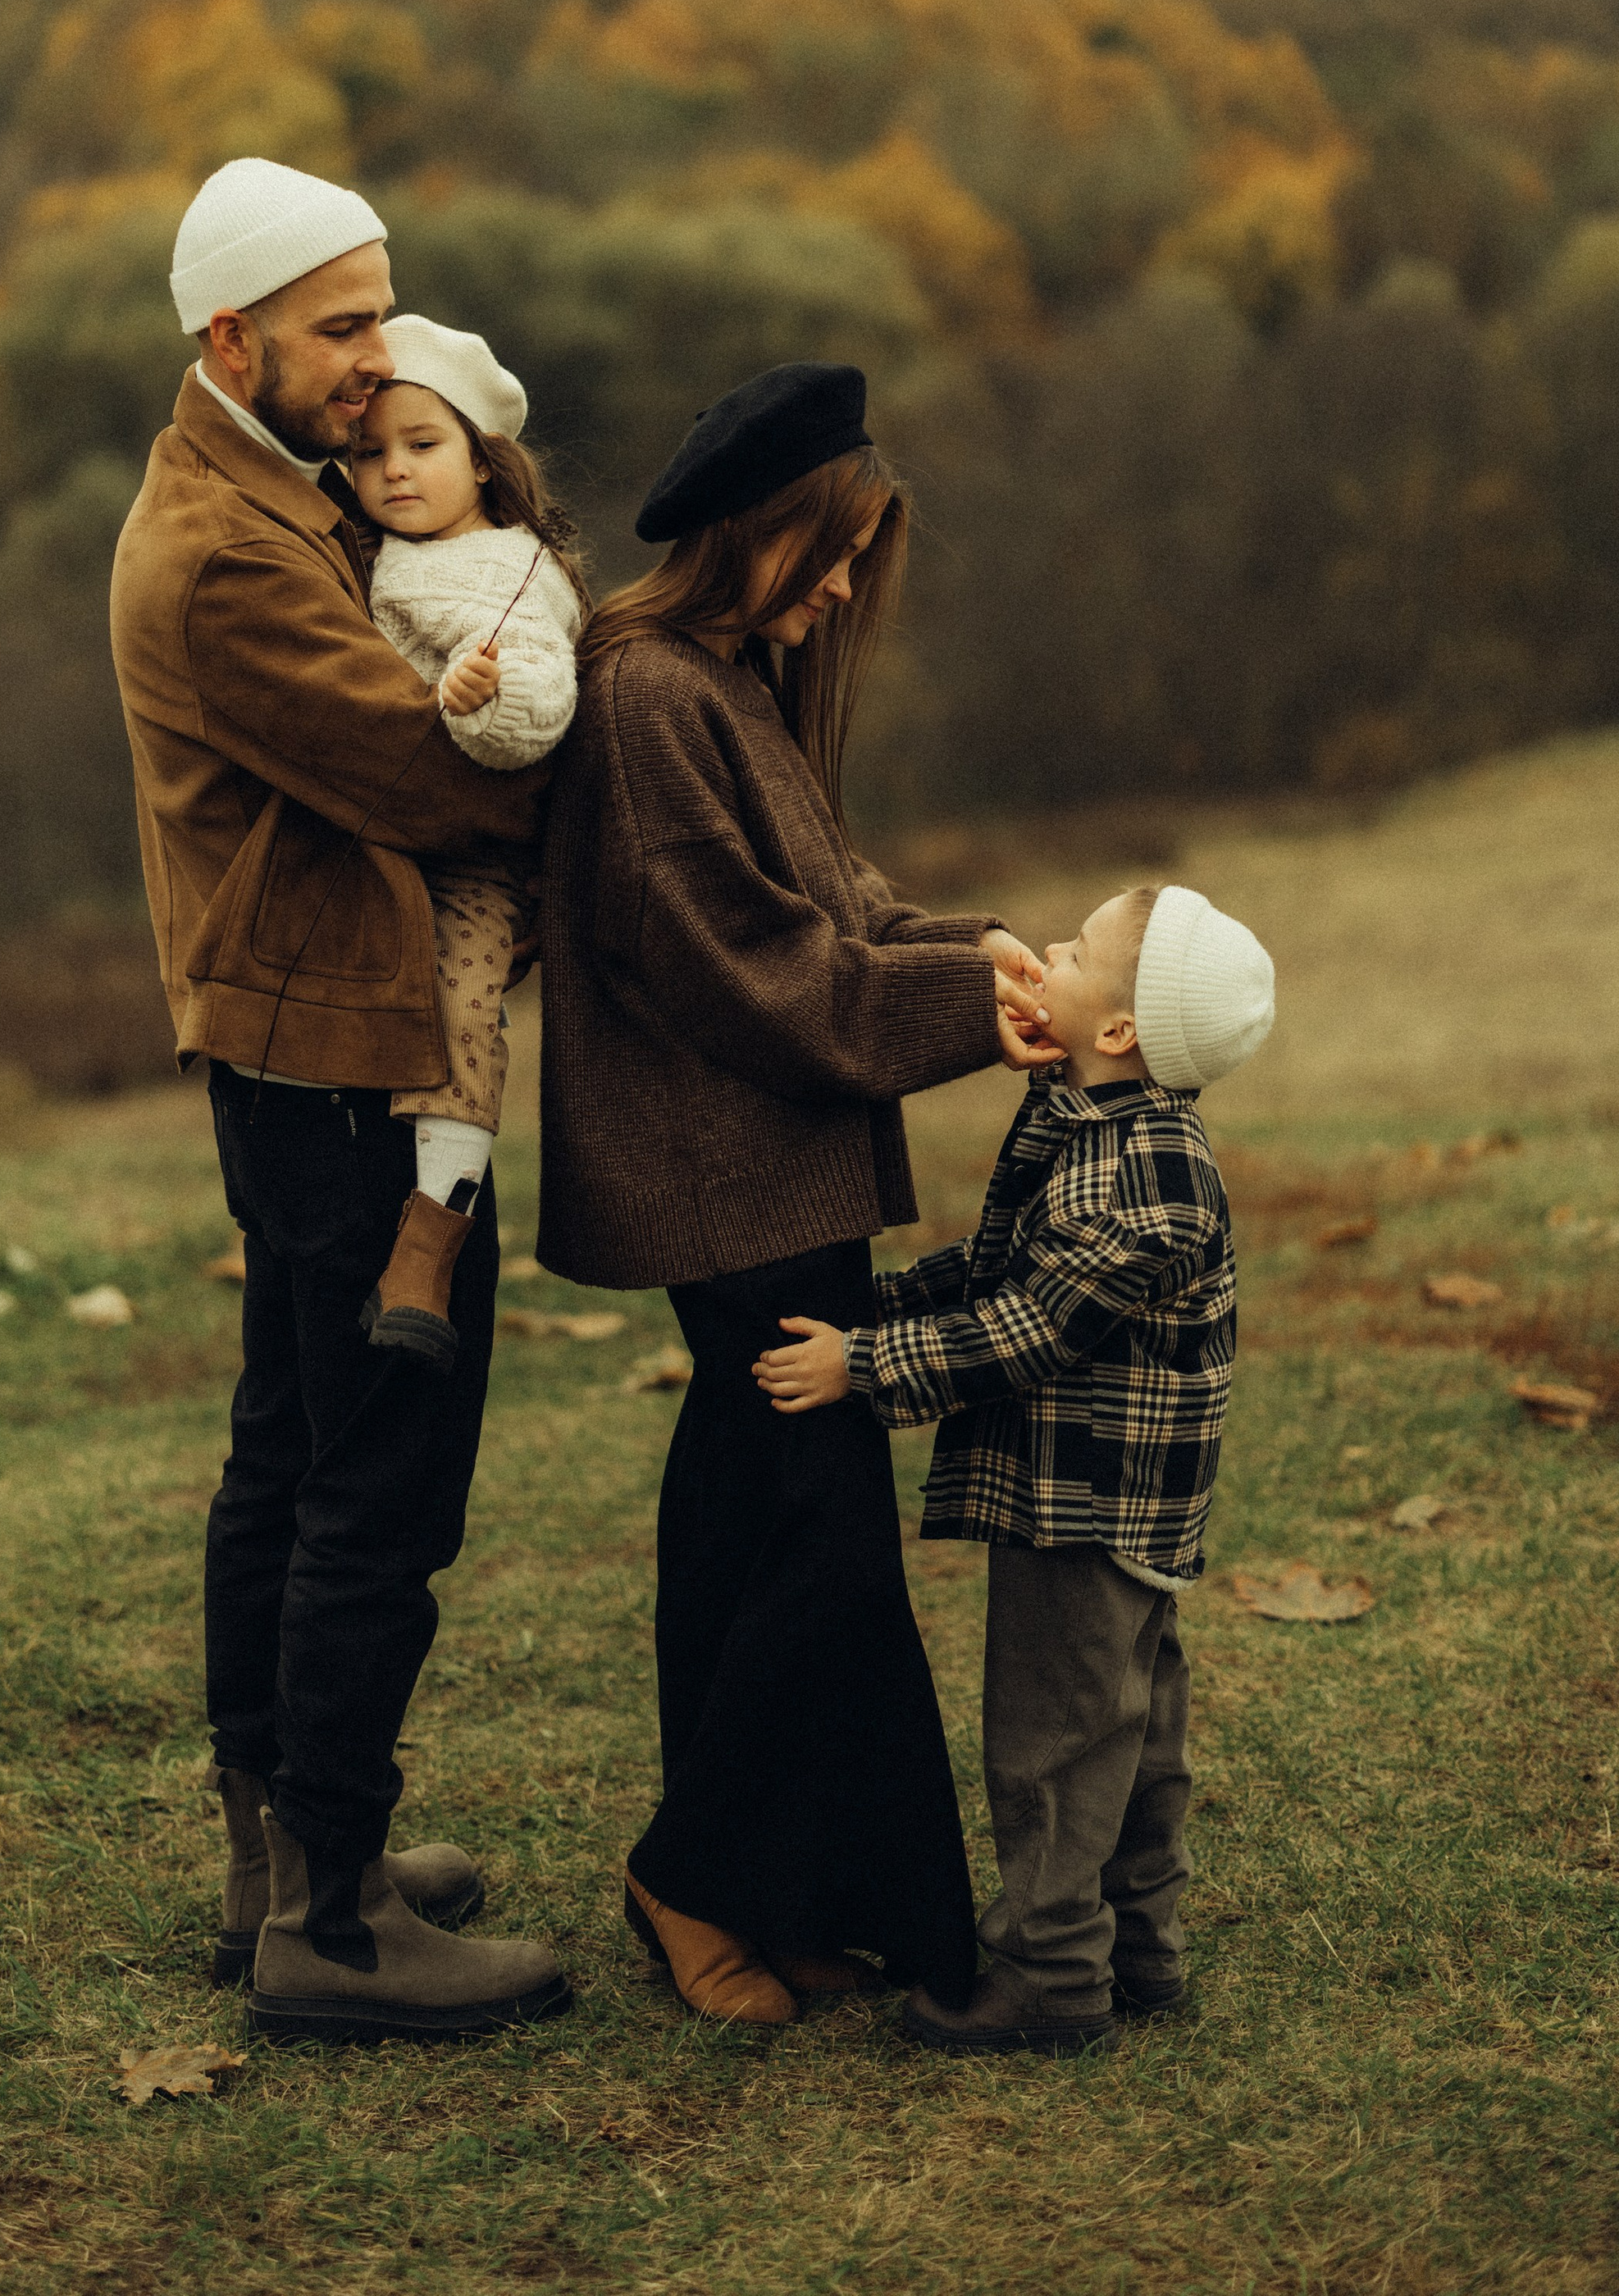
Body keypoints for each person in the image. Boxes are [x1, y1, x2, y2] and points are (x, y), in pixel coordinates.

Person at [536, 360, 1061, 2027]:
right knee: (819, 1546)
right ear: (749, 532)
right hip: (722, 1179)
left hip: (774, 1173)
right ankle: (692, 1876)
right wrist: (977, 1007)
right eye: (824, 548)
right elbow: (753, 973)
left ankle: (793, 1902)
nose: (842, 587)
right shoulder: (643, 697)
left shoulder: (723, 683)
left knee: (752, 1526)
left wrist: (981, 954)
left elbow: (841, 909)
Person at [109, 154, 571, 2046]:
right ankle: (333, 1920)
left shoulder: (269, 491)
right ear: (233, 336)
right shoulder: (223, 551)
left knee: (291, 1450)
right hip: (337, 1058)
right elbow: (435, 773)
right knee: (374, 1468)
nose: (379, 361)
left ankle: (287, 1864)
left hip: (309, 1037)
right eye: (345, 324)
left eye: (381, 312)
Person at [757, 882, 1275, 2054]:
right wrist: (871, 1302)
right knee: (1127, 1736)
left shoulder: (1147, 1173)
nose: (1047, 950)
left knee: (1056, 1743)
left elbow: (1030, 1324)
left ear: (1123, 1031)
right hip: (1113, 1501)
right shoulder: (1086, 1119)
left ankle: (1051, 1975)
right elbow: (996, 1264)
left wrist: (867, 1365)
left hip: (1093, 1504)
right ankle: (1140, 1952)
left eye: (1077, 949)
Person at [347, 315, 586, 1368]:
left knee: (458, 1010)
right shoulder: (390, 555)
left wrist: (476, 703)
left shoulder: (506, 573)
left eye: (422, 445)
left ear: (485, 464)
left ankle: (428, 1242)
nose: (393, 470)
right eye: (368, 452)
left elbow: (537, 700)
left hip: (485, 860)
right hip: (398, 840)